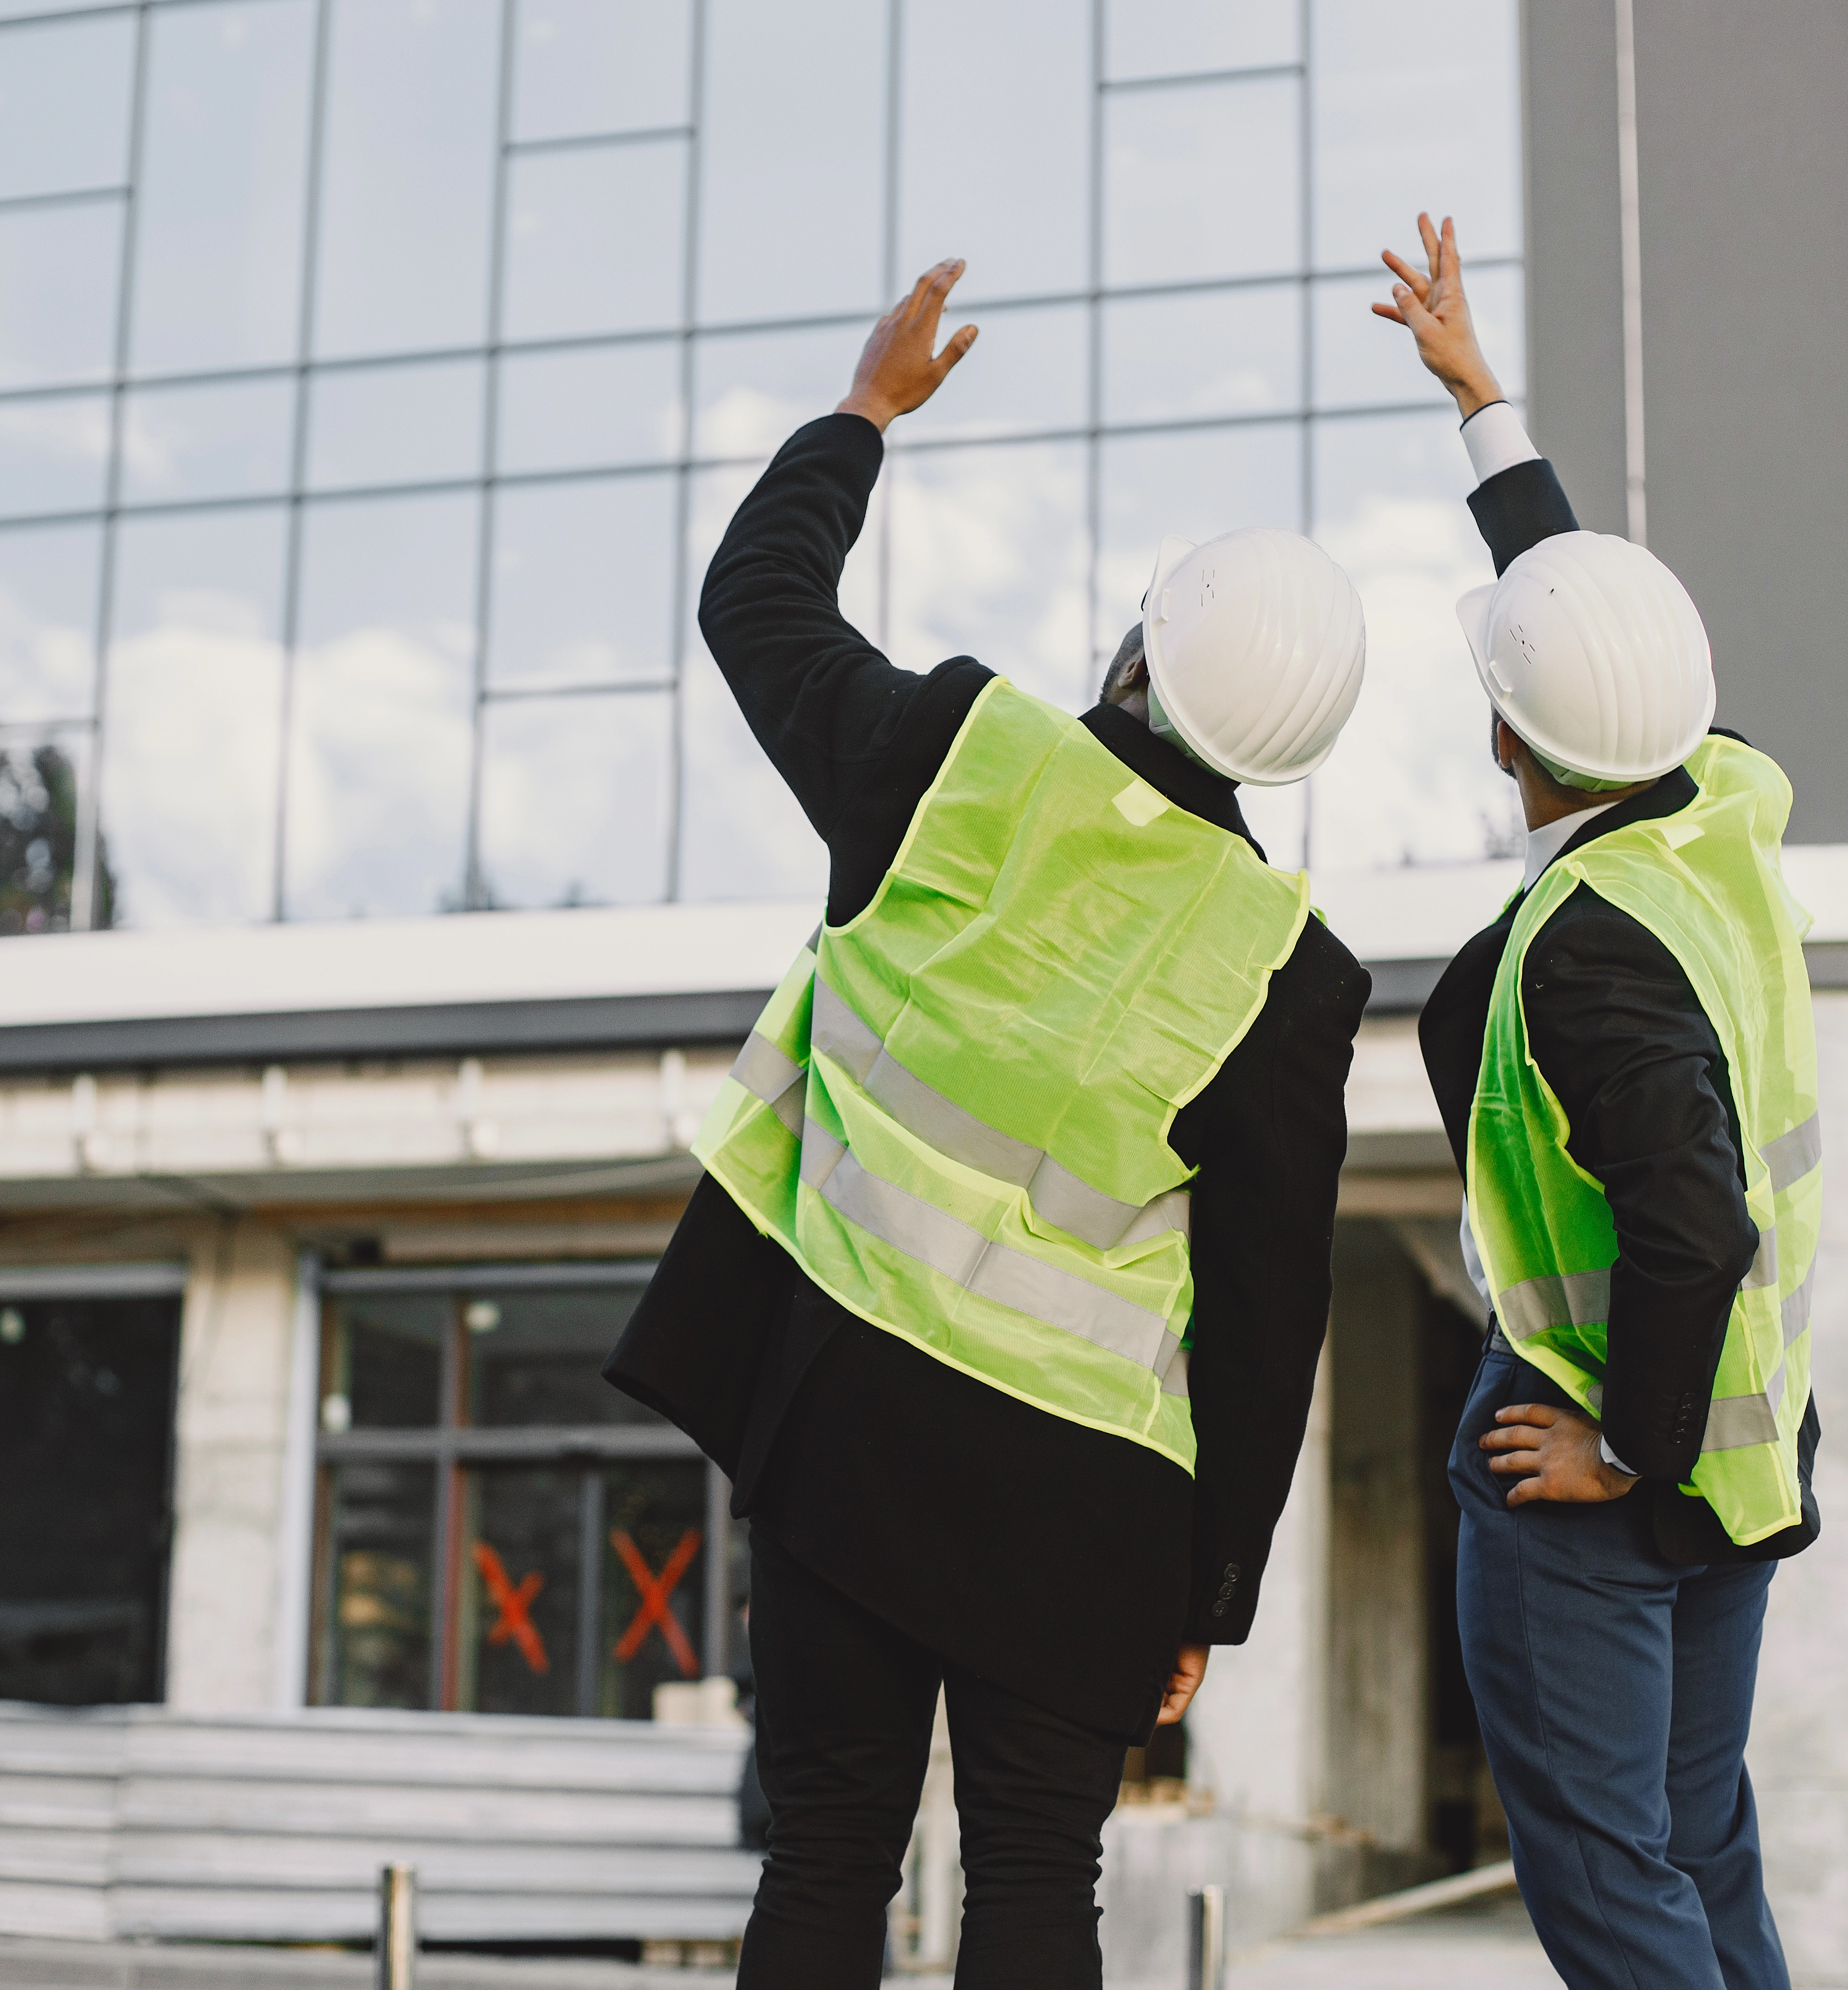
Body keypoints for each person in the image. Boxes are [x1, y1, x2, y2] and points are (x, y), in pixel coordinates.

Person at [606, 257, 1372, 1989]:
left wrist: (862, 416)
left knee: (822, 1861)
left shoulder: (955, 754)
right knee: (1038, 1881)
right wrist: (1209, 1590)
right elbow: (1268, 1319)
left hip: (845, 1426)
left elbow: (756, 603)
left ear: (1136, 648)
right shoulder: (1290, 971)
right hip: (1085, 1502)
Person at [1374, 215, 1825, 1990]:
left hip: (1609, 1448)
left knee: (1612, 1882)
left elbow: (1692, 1214)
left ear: (1505, 741)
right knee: (1701, 1852)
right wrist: (1483, 400)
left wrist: (1618, 1440)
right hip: (1749, 1434)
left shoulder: (1588, 945)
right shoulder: (1715, 801)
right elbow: (1587, 629)